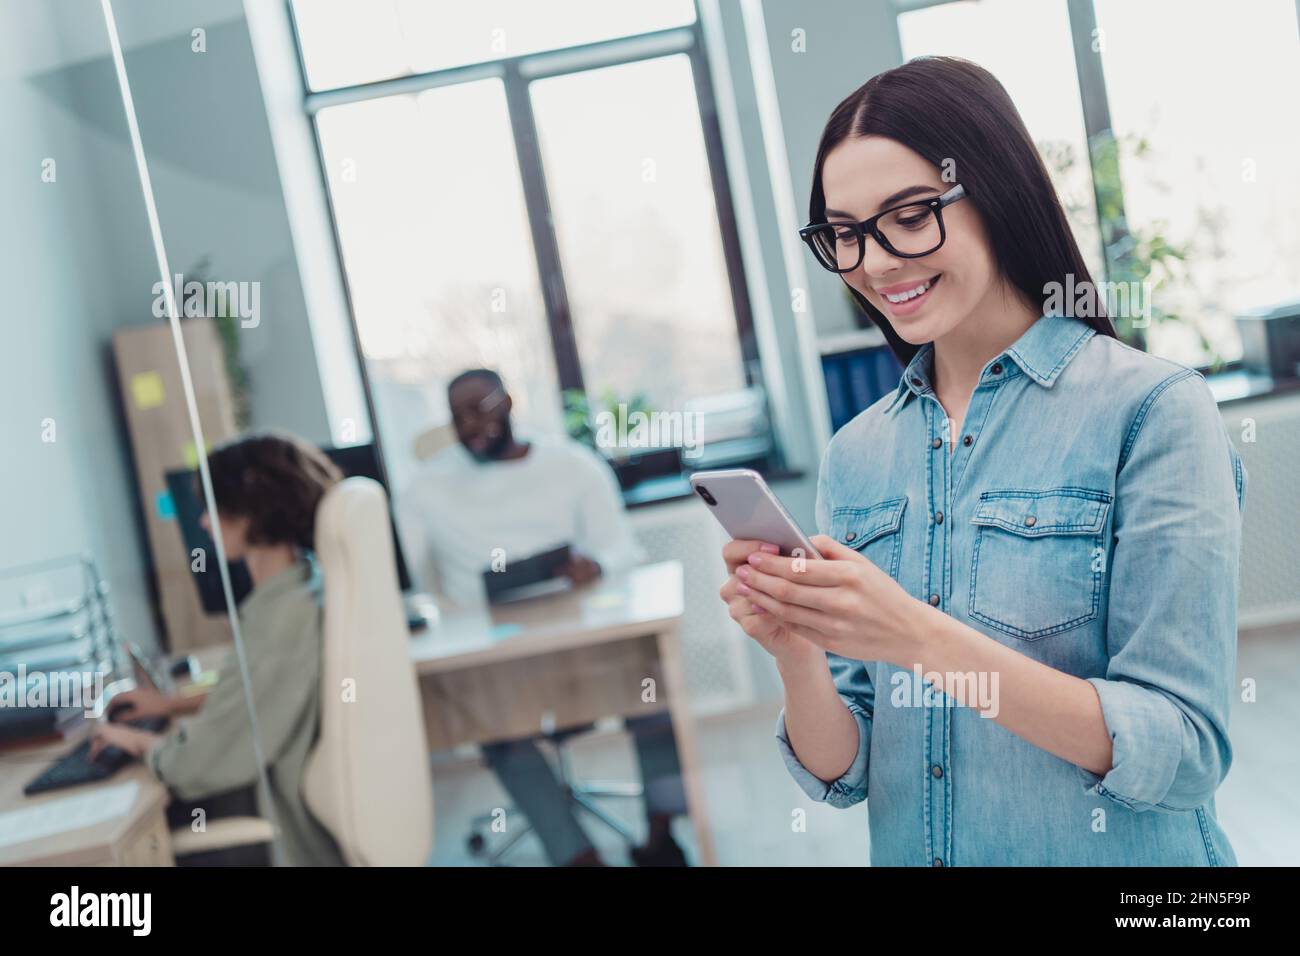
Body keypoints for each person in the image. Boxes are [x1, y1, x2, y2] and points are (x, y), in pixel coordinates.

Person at [718, 57, 1247, 866]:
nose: (877, 261)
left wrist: (916, 636)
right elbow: (847, 770)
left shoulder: (1152, 411)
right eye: (847, 233)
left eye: (909, 215)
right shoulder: (855, 456)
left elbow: (1181, 751)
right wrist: (796, 649)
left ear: (995, 188)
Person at [397, 368, 688, 866]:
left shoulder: (572, 465)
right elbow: (416, 578)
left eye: (480, 410)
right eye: (458, 417)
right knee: (496, 729)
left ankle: (660, 837)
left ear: (507, 403)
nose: (470, 426)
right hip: (495, 654)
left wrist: (595, 564)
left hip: (587, 644)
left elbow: (621, 547)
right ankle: (576, 855)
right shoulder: (425, 489)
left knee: (654, 695)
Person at [91, 431, 347, 867]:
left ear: (255, 510)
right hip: (267, 786)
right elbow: (258, 693)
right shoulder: (298, 589)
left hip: (273, 822)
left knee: (107, 833)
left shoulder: (283, 619)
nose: (205, 523)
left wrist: (134, 742)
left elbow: (198, 764)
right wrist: (172, 704)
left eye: (215, 508)